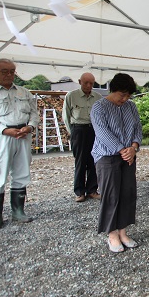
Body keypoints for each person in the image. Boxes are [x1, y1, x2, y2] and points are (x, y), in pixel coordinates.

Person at [0, 58, 39, 231]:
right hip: (1, 137)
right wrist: (4, 130)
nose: (9, 75)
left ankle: (18, 211)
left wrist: (30, 126)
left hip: (23, 135)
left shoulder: (24, 92)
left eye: (12, 71)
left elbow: (34, 113)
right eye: (5, 71)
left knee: (22, 173)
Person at [91, 73, 143, 253]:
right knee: (111, 194)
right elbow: (102, 132)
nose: (125, 98)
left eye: (128, 95)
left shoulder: (131, 107)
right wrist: (123, 149)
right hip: (107, 156)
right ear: (112, 90)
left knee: (128, 193)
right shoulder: (99, 107)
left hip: (129, 155)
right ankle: (111, 233)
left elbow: (137, 127)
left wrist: (134, 147)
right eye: (122, 94)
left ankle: (123, 231)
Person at [62, 72, 102, 202]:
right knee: (80, 161)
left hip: (94, 130)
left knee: (94, 160)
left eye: (91, 83)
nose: (89, 85)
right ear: (80, 82)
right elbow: (66, 116)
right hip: (78, 130)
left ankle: (92, 189)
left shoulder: (98, 97)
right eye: (86, 83)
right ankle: (79, 192)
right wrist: (72, 132)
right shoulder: (71, 96)